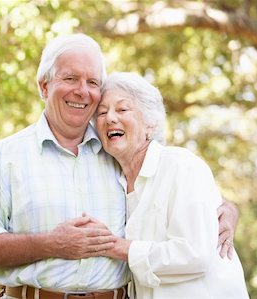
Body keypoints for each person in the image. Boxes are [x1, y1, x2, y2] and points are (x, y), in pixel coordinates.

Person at [0, 34, 239, 299]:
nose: (82, 91)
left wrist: (224, 207)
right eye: (70, 78)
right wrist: (51, 244)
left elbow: (168, 188)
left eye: (93, 82)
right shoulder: (5, 157)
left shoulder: (117, 152)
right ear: (44, 86)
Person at [95, 72, 249, 298]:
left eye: (122, 109)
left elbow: (195, 253)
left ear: (151, 124)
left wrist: (118, 248)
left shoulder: (181, 166)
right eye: (101, 112)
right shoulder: (112, 181)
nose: (110, 118)